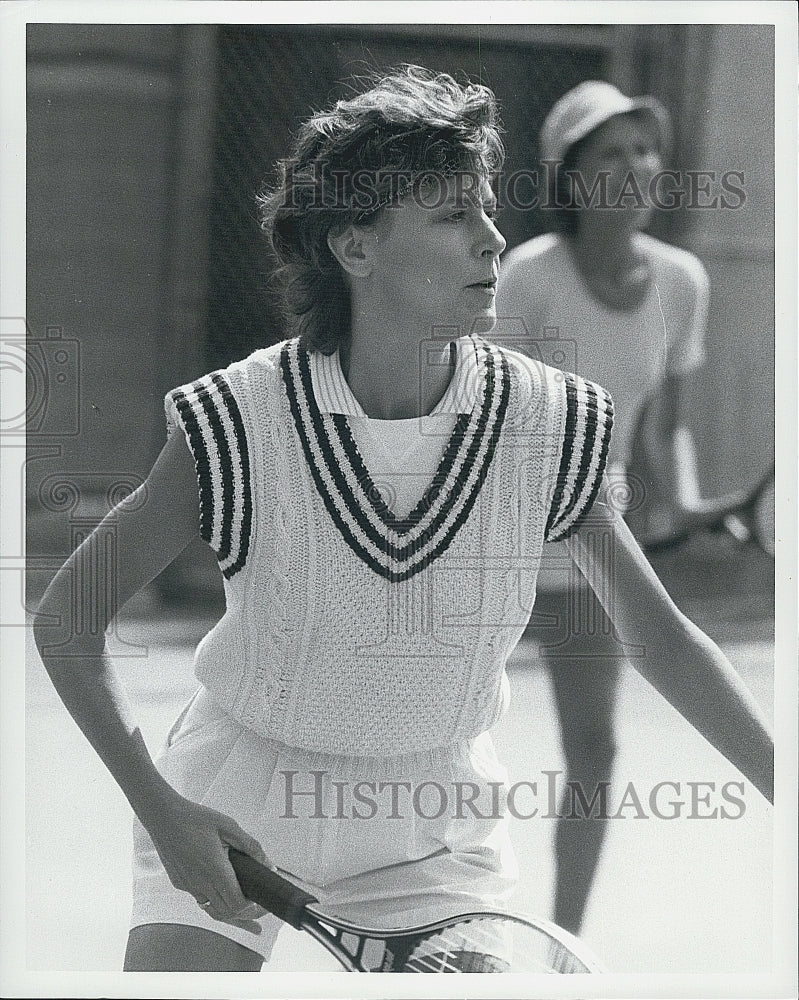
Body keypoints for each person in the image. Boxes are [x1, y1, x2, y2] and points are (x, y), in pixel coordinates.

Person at [33, 66, 772, 974]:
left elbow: (661, 640)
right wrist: (161, 809)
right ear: (355, 247)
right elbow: (68, 617)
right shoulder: (238, 419)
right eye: (453, 215)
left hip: (436, 823)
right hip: (239, 795)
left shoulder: (549, 422)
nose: (493, 239)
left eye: (487, 210)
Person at [494, 80, 732, 935]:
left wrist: (696, 505)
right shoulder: (526, 277)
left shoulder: (683, 282)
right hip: (488, 536)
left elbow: (662, 432)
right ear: (569, 175)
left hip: (595, 543)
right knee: (432, 737)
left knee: (593, 748)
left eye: (643, 148)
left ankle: (562, 949)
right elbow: (478, 414)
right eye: (609, 152)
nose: (633, 166)